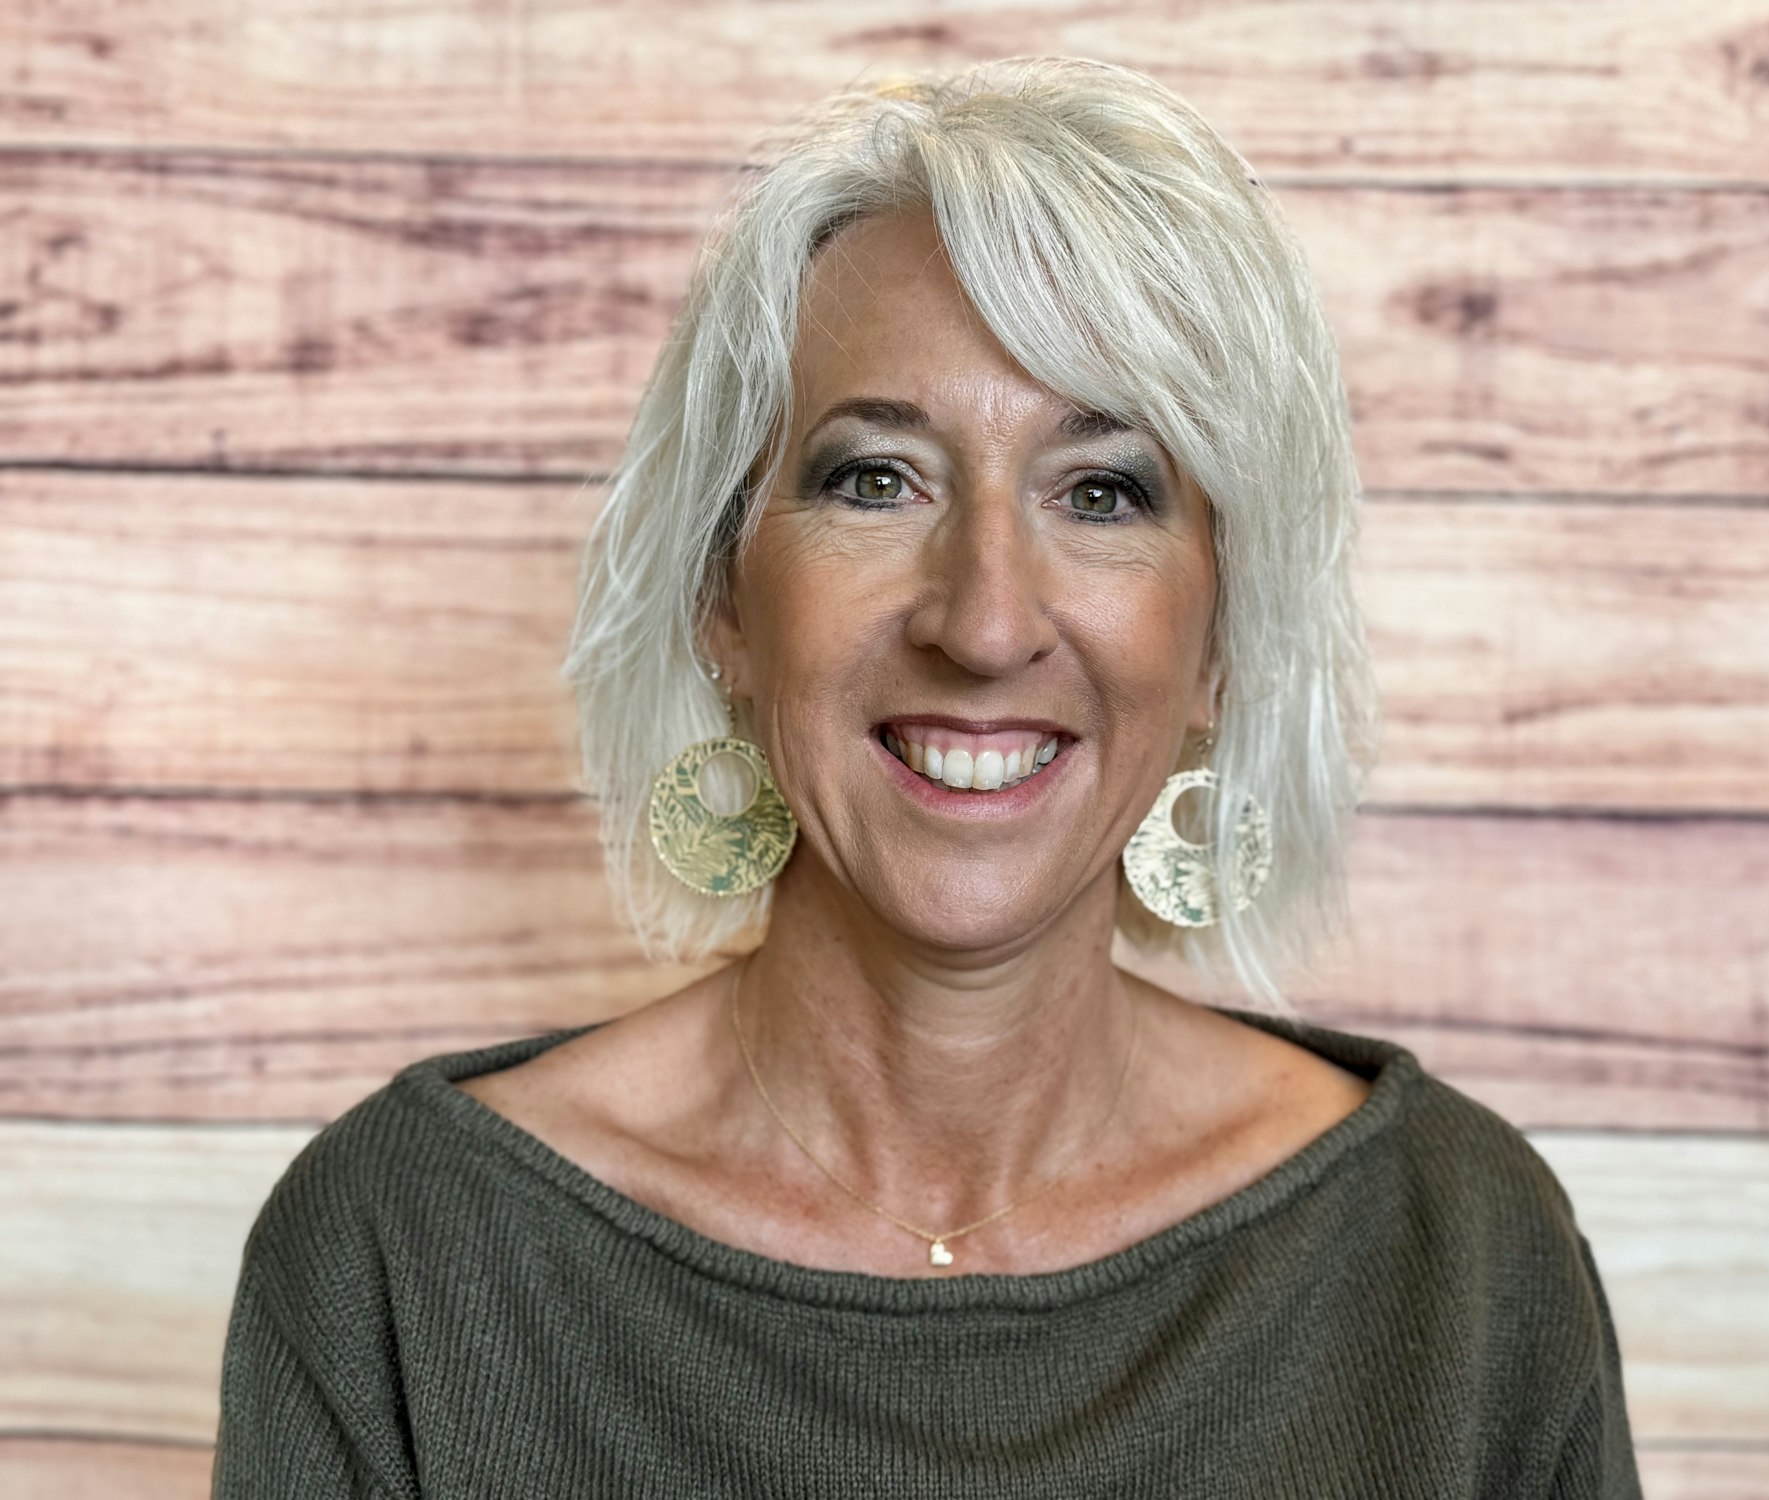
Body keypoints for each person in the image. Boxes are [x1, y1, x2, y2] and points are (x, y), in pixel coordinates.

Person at [211, 55, 1642, 1498]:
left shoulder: (1457, 1267)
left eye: (1103, 491)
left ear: (1221, 640)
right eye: (875, 479)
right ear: (724, 598)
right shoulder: (405, 1256)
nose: (987, 621)